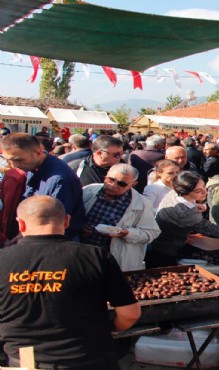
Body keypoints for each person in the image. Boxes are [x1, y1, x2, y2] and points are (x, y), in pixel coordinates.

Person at [0, 196, 140, 369]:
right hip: (90, 358)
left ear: (20, 224)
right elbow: (130, 313)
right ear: (67, 221)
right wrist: (112, 328)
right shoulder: (95, 256)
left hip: (27, 361)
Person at [1, 133, 85, 240]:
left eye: (19, 160)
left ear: (38, 152)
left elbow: (52, 223)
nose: (13, 165)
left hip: (55, 241)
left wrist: (17, 241)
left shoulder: (60, 179)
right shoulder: (33, 166)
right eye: (9, 160)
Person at [81, 164, 160, 271]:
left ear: (132, 184)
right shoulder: (88, 191)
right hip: (83, 254)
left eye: (121, 184)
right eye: (111, 179)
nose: (113, 185)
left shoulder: (141, 204)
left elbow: (152, 233)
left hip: (113, 260)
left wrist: (127, 233)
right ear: (106, 176)